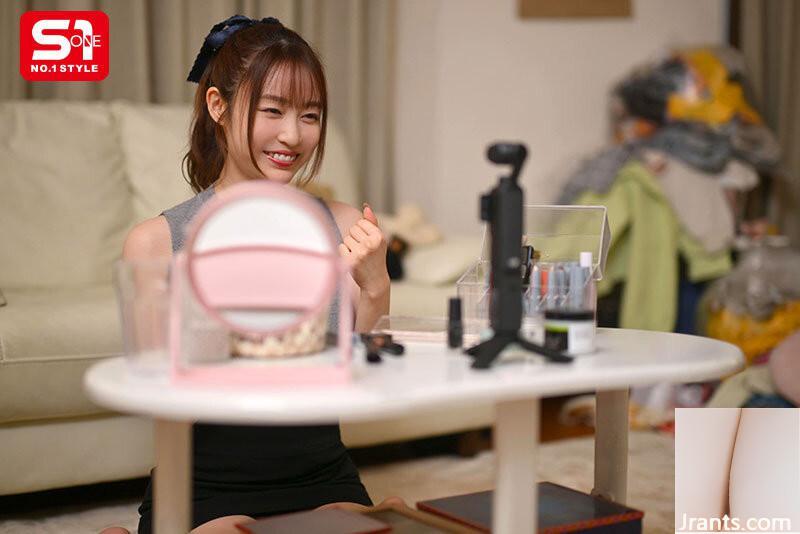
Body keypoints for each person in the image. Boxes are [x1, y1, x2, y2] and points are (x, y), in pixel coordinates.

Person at [101, 15, 392, 534]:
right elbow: (160, 400)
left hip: (322, 471)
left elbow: (366, 373)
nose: (292, 135)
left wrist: (375, 285)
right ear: (218, 106)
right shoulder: (156, 242)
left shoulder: (344, 225)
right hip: (205, 482)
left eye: (310, 115)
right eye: (272, 110)